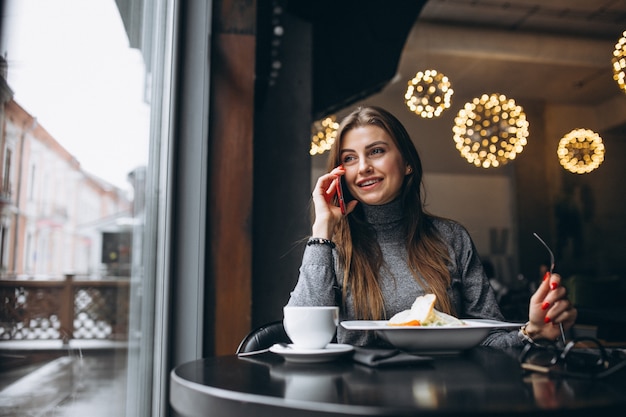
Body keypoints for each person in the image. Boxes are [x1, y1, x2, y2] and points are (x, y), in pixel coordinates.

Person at [286, 106, 577, 348]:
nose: (362, 167)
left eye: (376, 151)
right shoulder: (328, 249)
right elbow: (305, 337)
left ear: (408, 163)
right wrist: (322, 229)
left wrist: (533, 331)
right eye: (349, 158)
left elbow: (490, 339)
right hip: (359, 401)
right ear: (340, 173)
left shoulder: (452, 238)